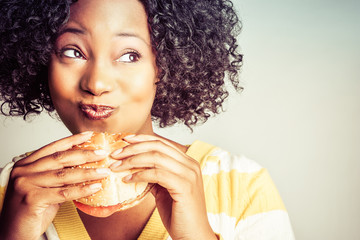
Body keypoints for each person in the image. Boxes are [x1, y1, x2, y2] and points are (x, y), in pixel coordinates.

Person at [0, 0, 295, 239]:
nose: (97, 82)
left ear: (164, 65)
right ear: (39, 59)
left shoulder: (241, 187)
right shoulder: (11, 189)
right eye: (72, 51)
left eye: (129, 55)